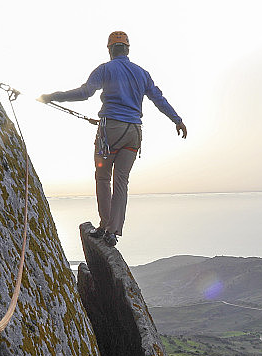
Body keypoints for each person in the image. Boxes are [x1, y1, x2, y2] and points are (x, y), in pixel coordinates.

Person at [39, 31, 187, 247]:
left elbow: (84, 93)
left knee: (102, 177)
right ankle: (112, 232)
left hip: (110, 131)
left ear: (110, 50)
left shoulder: (105, 69)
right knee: (121, 181)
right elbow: (159, 99)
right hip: (134, 132)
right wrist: (177, 120)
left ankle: (104, 225)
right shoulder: (142, 73)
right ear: (127, 49)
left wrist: (52, 96)